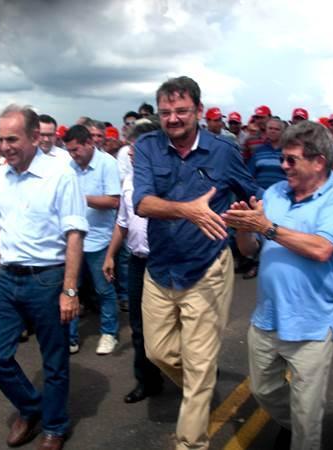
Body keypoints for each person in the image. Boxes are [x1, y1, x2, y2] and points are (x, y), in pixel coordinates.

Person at [132, 75, 260, 450]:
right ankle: (199, 383)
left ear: (199, 111)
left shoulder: (224, 151)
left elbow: (253, 194)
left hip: (207, 268)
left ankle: (191, 442)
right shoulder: (147, 146)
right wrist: (186, 211)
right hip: (159, 269)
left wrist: (255, 219)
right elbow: (141, 202)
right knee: (158, 352)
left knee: (201, 363)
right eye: (166, 112)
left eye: (181, 111)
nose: (173, 119)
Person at [223, 120, 333, 450]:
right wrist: (243, 227)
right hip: (267, 318)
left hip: (311, 325)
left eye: (291, 159)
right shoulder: (275, 193)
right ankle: (294, 422)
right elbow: (250, 250)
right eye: (282, 158)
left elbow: (322, 248)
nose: (283, 166)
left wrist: (267, 226)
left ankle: (302, 431)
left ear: (319, 162)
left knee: (308, 420)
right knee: (264, 390)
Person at [0, 105, 88, 450]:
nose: (5, 145)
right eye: (1, 138)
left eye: (13, 138)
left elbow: (74, 235)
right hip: (8, 279)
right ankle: (31, 406)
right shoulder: (0, 175)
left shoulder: (62, 174)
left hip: (48, 279)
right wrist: (0, 268)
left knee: (54, 360)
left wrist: (69, 290)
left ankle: (55, 425)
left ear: (34, 138)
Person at [102, 119, 164, 403]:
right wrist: (111, 254)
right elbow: (123, 222)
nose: (130, 153)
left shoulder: (167, 178)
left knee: (169, 326)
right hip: (137, 262)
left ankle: (188, 379)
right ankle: (147, 380)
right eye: (131, 148)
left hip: (164, 262)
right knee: (138, 325)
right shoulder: (129, 181)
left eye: (137, 149)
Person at [63, 125, 121, 355]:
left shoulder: (107, 164)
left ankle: (109, 333)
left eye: (76, 149)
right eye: (69, 150)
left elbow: (114, 201)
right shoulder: (69, 166)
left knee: (104, 290)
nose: (73, 155)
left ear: (89, 143)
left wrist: (82, 198)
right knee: (71, 289)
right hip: (73, 240)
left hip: (99, 239)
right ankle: (70, 336)